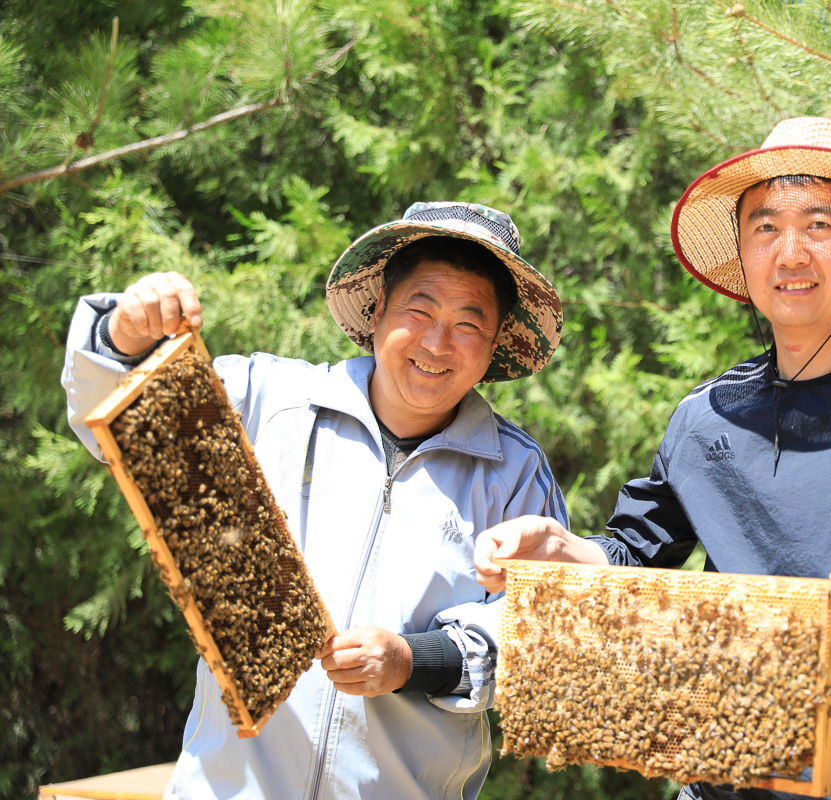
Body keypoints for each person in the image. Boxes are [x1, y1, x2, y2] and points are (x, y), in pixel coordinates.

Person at [474, 119, 831, 799]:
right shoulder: (705, 417)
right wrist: (562, 552)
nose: (791, 254)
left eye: (820, 225)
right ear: (742, 249)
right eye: (766, 228)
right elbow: (635, 556)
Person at [61, 202, 569, 800]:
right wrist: (124, 334)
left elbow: (542, 636)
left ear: (495, 342)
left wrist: (416, 661)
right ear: (377, 310)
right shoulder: (268, 399)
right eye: (420, 310)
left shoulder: (516, 473)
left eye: (468, 324)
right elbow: (121, 425)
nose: (437, 343)